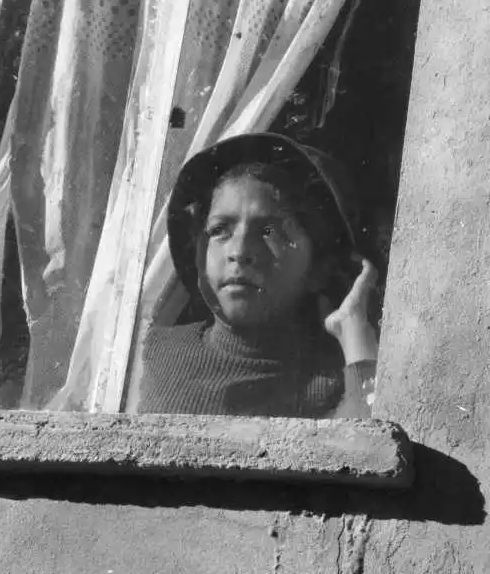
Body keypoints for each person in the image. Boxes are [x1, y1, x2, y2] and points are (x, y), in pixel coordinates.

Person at [136, 132, 379, 418]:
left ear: (320, 266)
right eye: (219, 230)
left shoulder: (336, 383)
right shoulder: (154, 353)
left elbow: (367, 436)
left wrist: (353, 328)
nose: (239, 251)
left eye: (269, 232)